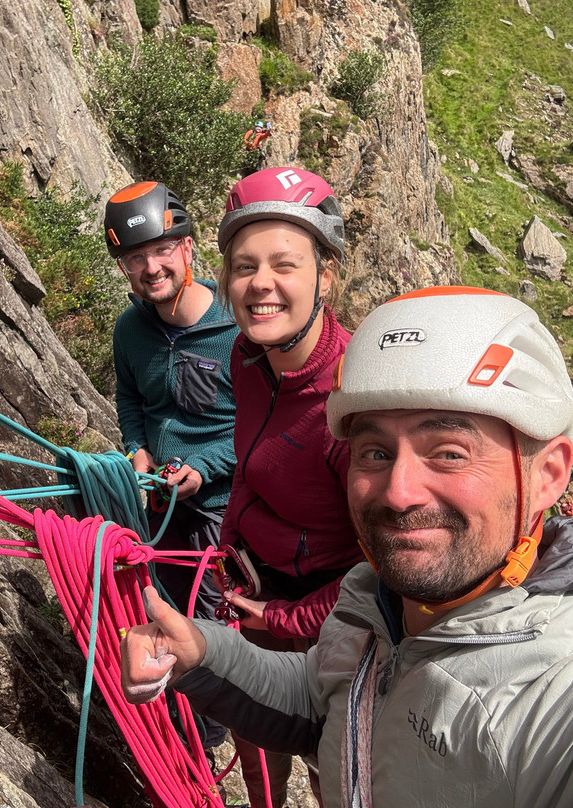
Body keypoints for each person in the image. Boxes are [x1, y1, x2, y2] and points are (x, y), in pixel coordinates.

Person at [121, 286, 573, 807]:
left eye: (448, 452)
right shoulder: (373, 598)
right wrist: (201, 653)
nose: (397, 492)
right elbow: (323, 700)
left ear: (548, 474)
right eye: (375, 451)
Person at [213, 166, 365, 806]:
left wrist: (285, 615)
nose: (260, 285)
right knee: (258, 754)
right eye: (245, 267)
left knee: (334, 768)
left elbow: (378, 563)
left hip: (327, 622)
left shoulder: (353, 405)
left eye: (284, 264)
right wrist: (225, 549)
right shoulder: (246, 358)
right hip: (253, 593)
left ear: (325, 276)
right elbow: (250, 468)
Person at [104, 181, 238, 749]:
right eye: (136, 258)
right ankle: (169, 730)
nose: (151, 267)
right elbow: (132, 400)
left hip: (218, 510)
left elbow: (260, 427)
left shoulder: (236, 329)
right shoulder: (130, 330)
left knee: (201, 629)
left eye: (162, 250)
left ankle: (202, 749)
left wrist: (204, 469)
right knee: (158, 609)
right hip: (161, 502)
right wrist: (137, 448)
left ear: (187, 249)